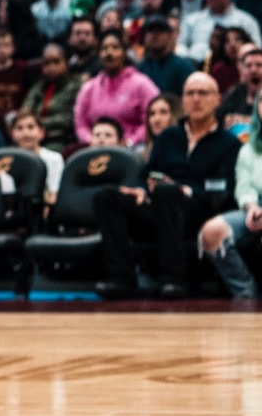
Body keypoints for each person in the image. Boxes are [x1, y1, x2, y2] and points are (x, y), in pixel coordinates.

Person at [93, 72, 239, 299]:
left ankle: (173, 279)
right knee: (107, 197)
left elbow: (223, 189)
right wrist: (140, 189)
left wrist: (184, 189)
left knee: (167, 193)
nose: (196, 99)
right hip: (161, 203)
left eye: (203, 93)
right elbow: (147, 173)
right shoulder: (169, 137)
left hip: (200, 209)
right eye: (190, 93)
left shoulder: (228, 143)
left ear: (217, 100)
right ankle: (121, 279)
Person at [199, 88, 262, 298]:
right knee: (212, 231)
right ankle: (245, 292)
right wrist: (251, 206)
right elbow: (244, 185)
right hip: (255, 208)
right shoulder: (249, 148)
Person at [73, 32, 160, 147]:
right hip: (95, 147)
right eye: (104, 48)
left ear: (124, 53)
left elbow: (153, 120)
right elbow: (81, 125)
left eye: (115, 47)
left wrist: (129, 142)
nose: (109, 53)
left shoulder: (142, 84)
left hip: (134, 147)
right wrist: (92, 140)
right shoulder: (89, 87)